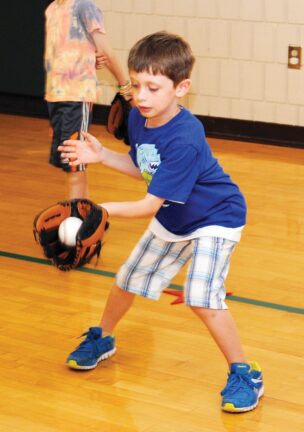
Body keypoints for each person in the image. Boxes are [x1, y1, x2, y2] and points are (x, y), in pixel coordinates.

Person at [58, 31, 264, 413]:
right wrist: (103, 155)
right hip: (175, 214)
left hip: (215, 217)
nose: (141, 96)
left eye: (153, 87)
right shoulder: (140, 117)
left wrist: (98, 209)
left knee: (203, 297)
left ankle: (245, 372)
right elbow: (146, 170)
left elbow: (148, 203)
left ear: (181, 88)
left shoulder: (185, 136)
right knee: (126, 281)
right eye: (137, 85)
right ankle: (102, 337)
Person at [44, 0, 131, 199]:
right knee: (72, 167)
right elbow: (61, 56)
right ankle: (84, 212)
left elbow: (106, 53)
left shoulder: (84, 7)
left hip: (77, 97)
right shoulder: (51, 9)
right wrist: (52, 116)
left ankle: (76, 220)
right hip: (56, 98)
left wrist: (125, 88)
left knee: (74, 164)